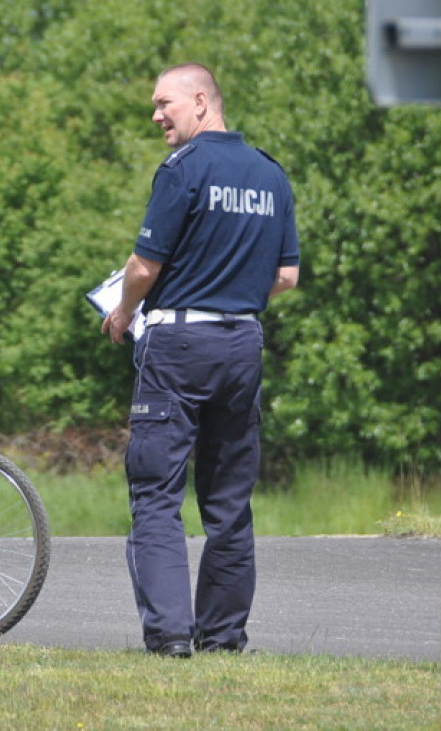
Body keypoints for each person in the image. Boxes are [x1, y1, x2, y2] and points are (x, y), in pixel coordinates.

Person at [101, 63, 299, 658]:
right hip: (243, 343)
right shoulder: (271, 174)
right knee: (229, 502)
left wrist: (122, 312)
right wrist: (231, 295)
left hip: (178, 347)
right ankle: (222, 636)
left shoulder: (182, 170)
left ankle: (168, 637)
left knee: (157, 494)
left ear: (200, 100)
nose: (157, 116)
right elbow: (286, 276)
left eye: (164, 104)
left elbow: (143, 268)